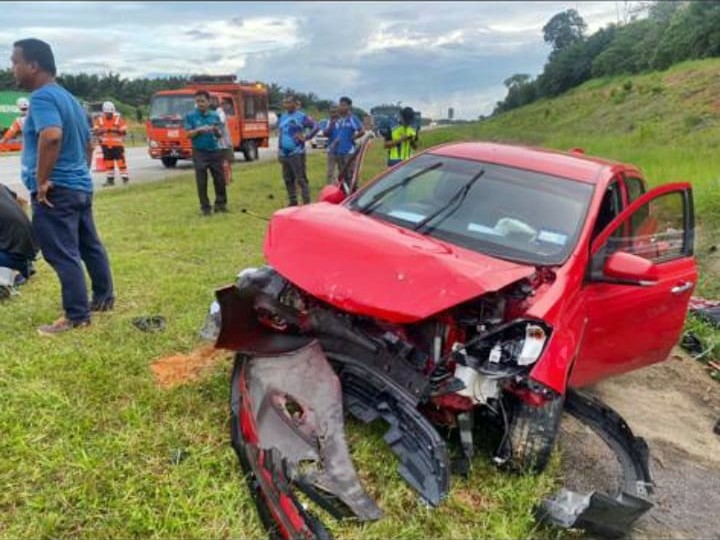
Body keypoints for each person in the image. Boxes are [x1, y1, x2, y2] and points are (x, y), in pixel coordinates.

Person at [11, 38, 115, 335]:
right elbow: (88, 142)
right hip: (78, 186)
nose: (13, 68)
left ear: (34, 65)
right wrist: (78, 169)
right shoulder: (70, 99)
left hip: (56, 191)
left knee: (61, 252)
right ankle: (104, 298)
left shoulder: (42, 98)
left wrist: (43, 180)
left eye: (15, 61)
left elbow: (52, 135)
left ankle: (76, 315)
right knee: (89, 245)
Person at [184, 90, 227, 216]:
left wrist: (215, 130)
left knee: (220, 179)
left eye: (202, 101)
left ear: (209, 102)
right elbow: (188, 134)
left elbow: (220, 134)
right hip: (199, 152)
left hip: (214, 151)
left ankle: (221, 205)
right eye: (197, 101)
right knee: (201, 181)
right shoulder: (191, 116)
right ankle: (205, 207)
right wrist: (199, 130)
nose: (200, 104)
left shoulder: (215, 115)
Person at [277, 96, 318, 206]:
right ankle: (293, 201)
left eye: (289, 103)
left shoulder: (301, 116)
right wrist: (279, 150)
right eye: (285, 102)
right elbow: (281, 134)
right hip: (284, 153)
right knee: (288, 179)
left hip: (297, 152)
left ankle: (306, 202)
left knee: (300, 178)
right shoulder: (283, 117)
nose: (286, 105)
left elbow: (315, 126)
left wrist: (306, 137)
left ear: (295, 104)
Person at [0, 184, 37, 286]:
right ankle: (21, 265)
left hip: (11, 256)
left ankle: (13, 273)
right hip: (28, 250)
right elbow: (22, 202)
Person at [326, 96, 365, 186]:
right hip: (339, 151)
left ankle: (354, 193)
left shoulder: (352, 118)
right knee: (342, 175)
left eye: (344, 105)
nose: (341, 107)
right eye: (340, 105)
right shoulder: (338, 119)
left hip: (349, 151)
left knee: (350, 174)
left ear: (349, 107)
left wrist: (353, 138)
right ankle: (344, 194)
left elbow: (362, 131)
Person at [93, 101, 129, 186]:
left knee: (121, 162)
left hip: (117, 146)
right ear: (104, 112)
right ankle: (110, 180)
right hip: (105, 146)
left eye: (110, 113)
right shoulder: (100, 120)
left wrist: (111, 130)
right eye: (107, 113)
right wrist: (101, 131)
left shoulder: (118, 119)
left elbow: (124, 132)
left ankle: (125, 179)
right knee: (108, 163)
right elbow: (96, 131)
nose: (109, 114)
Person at [210, 97, 233, 185]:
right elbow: (220, 123)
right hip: (222, 143)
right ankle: (227, 179)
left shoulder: (218, 113)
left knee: (225, 162)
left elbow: (220, 123)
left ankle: (227, 179)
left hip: (223, 142)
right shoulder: (219, 113)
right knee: (225, 162)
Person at [322, 104, 340, 184]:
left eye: (335, 112)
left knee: (343, 170)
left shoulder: (343, 121)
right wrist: (331, 125)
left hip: (343, 150)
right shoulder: (327, 122)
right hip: (332, 150)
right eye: (331, 112)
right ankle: (330, 188)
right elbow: (325, 134)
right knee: (330, 171)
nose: (333, 114)